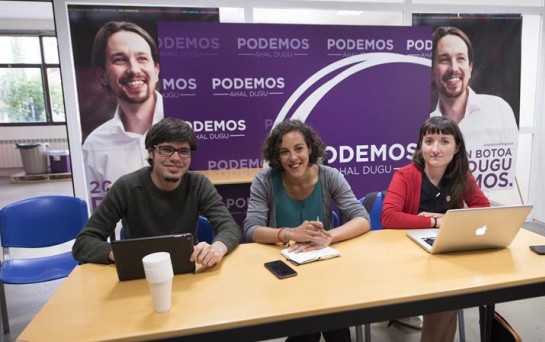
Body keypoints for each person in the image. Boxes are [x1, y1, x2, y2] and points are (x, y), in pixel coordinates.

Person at [243, 119, 370, 342]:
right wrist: (288, 233)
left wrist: (329, 236)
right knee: (309, 330)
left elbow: (362, 218)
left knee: (335, 327)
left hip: (324, 267)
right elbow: (251, 229)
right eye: (284, 152)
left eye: (299, 148)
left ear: (310, 148)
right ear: (276, 156)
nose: (293, 158)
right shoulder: (264, 181)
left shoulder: (329, 176)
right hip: (284, 271)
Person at [73, 118, 241, 267]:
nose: (176, 158)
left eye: (183, 151)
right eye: (167, 149)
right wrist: (120, 254)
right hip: (139, 270)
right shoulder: (126, 186)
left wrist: (217, 248)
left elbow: (230, 228)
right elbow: (84, 242)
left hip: (188, 267)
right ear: (150, 152)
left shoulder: (198, 184)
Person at [381, 116, 490, 342]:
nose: (435, 149)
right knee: (448, 295)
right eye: (429, 141)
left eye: (444, 141)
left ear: (457, 146)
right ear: (420, 146)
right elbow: (389, 217)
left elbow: (483, 208)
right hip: (408, 255)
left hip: (445, 252)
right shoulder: (405, 175)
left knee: (450, 293)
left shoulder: (461, 176)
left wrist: (446, 218)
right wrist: (434, 222)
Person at [430, 26, 519, 192]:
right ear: (432, 70)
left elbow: (509, 174)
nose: (454, 68)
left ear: (470, 68)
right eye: (444, 59)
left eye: (460, 58)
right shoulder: (425, 124)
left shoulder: (499, 110)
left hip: (489, 209)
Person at [82, 21, 164, 200]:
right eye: (120, 59)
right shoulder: (94, 145)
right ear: (103, 75)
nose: (134, 69)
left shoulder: (192, 125)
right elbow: (97, 215)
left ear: (156, 70)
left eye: (142, 58)